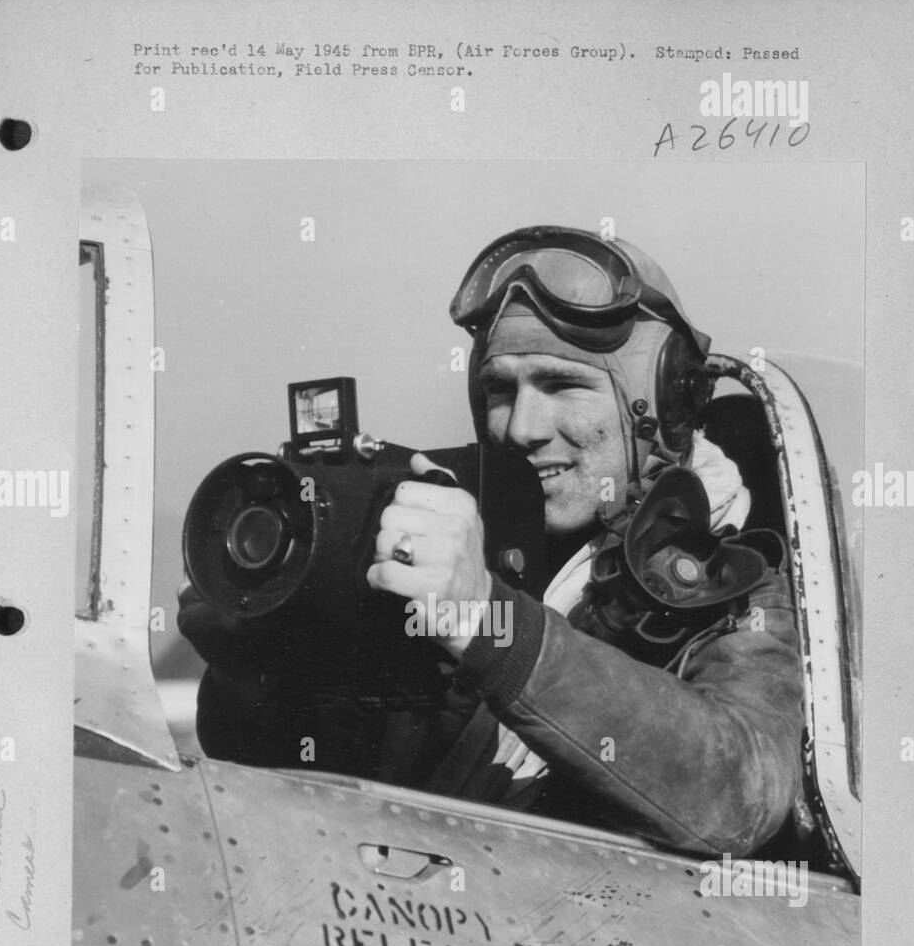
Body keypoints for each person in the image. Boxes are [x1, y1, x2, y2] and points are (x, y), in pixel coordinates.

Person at [179, 226, 805, 857]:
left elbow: (741, 793)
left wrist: (485, 619)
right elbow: (306, 767)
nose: (523, 428)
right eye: (499, 391)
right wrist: (264, 659)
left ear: (659, 405)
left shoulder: (738, 587)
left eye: (562, 386)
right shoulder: (474, 551)